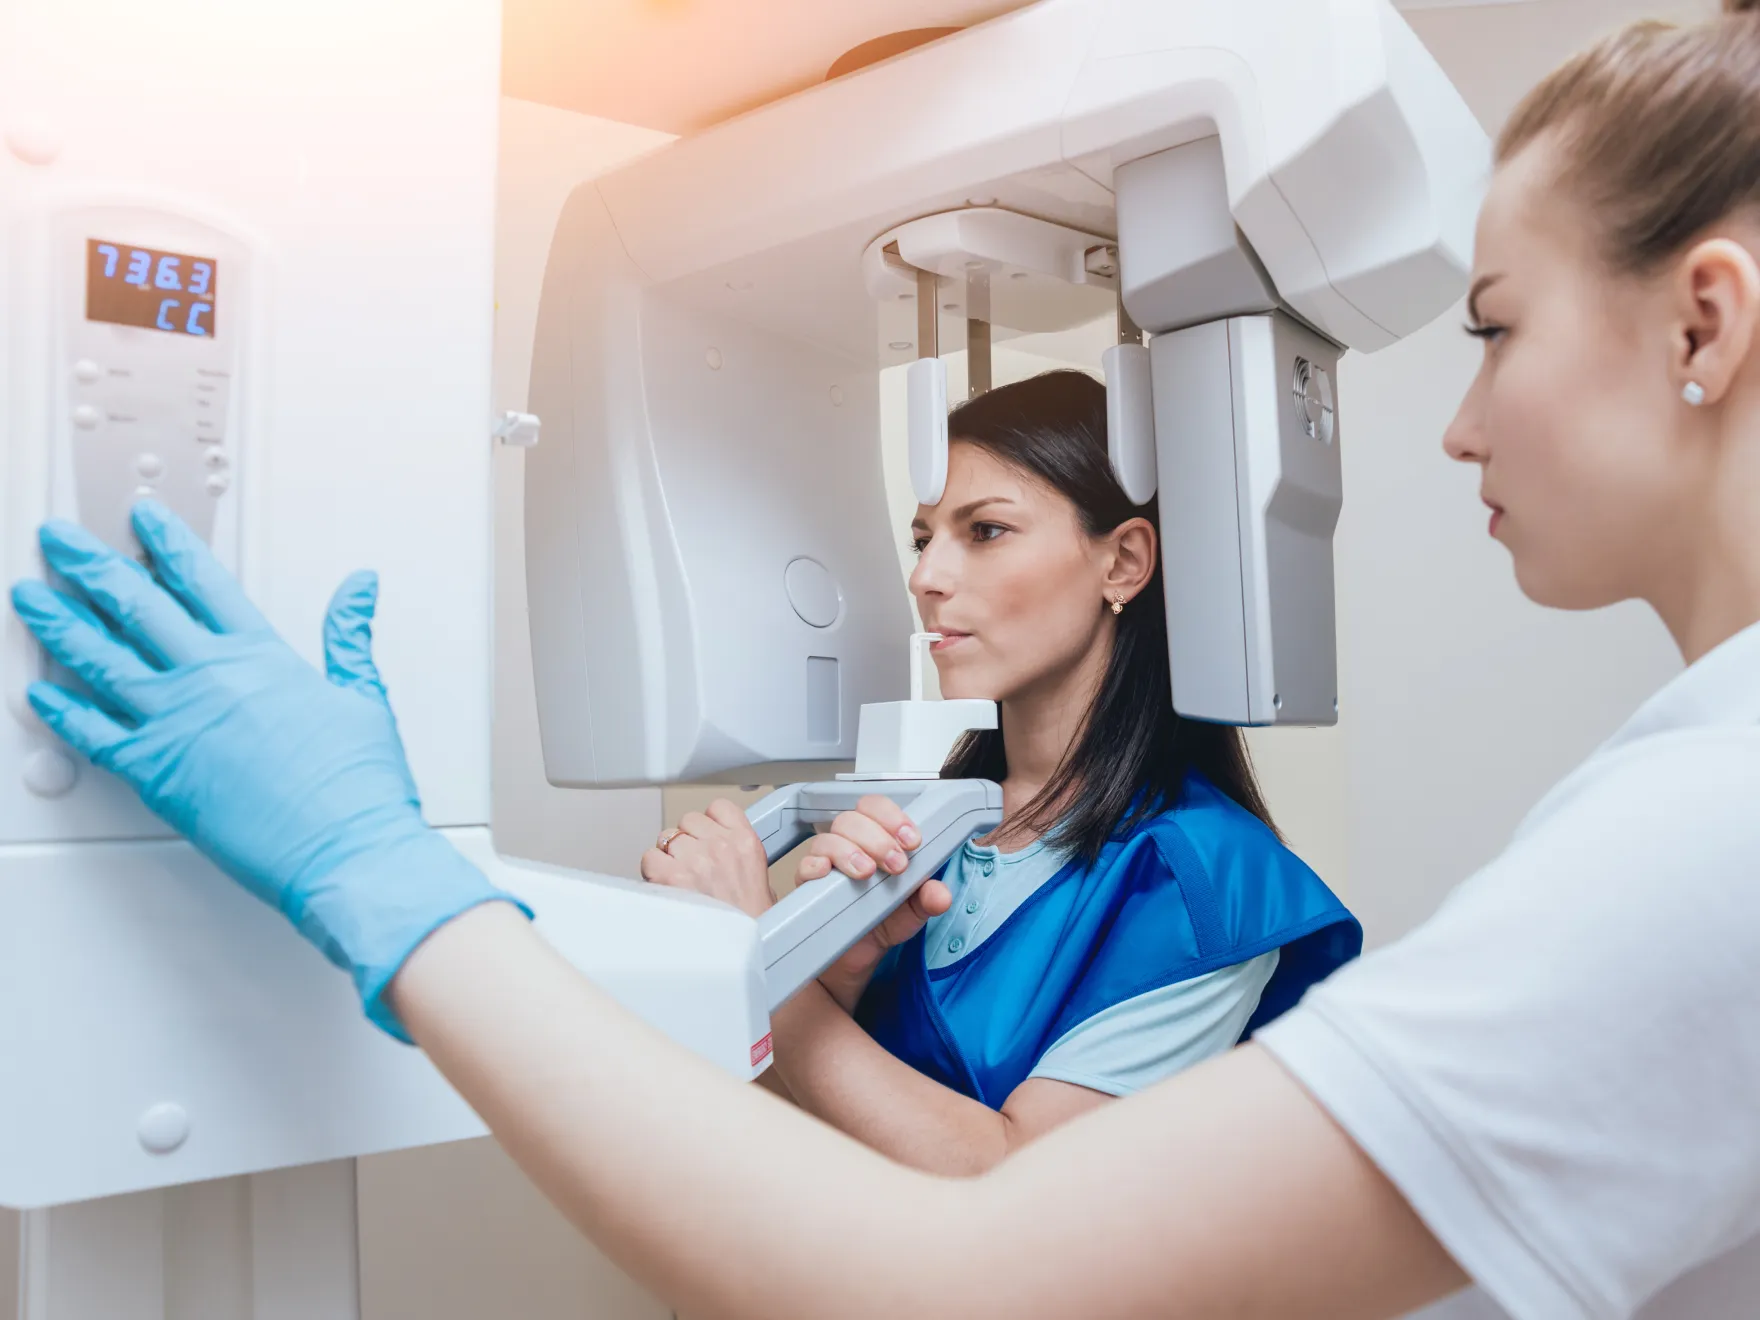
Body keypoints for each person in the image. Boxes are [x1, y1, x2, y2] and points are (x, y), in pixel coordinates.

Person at [13, 3, 1760, 1315]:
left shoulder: (1694, 831)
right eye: (926, 527)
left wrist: (379, 875)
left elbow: (984, 1272)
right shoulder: (909, 839)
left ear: (1705, 323)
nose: (1455, 429)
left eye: (1495, 329)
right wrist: (759, 954)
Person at [637, 372, 1359, 1174]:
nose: (925, 577)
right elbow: (802, 1117)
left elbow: (1017, 1180)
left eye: (983, 531)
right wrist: (832, 978)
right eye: (923, 539)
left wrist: (759, 966)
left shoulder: (1203, 879)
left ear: (1123, 561)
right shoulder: (920, 830)